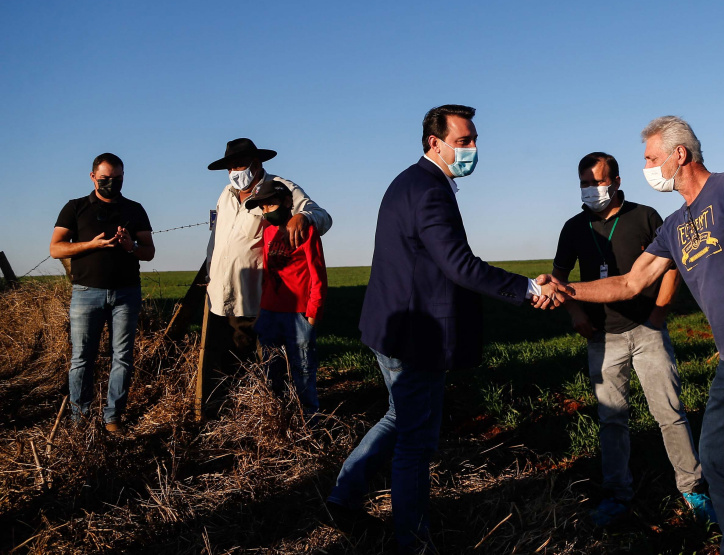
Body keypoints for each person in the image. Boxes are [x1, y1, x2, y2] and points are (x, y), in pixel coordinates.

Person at [541, 116, 724, 555]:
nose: (647, 168)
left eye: (651, 158)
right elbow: (630, 282)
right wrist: (566, 290)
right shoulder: (674, 224)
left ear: (679, 155)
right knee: (716, 459)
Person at [326, 104, 559, 553]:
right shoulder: (430, 190)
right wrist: (529, 288)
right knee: (416, 442)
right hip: (417, 336)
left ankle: (344, 497)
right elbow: (459, 265)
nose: (472, 149)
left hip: (391, 326)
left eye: (474, 140)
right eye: (463, 141)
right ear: (435, 143)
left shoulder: (409, 181)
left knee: (399, 418)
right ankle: (413, 542)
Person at [552, 152, 714, 526]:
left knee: (670, 413)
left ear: (617, 181)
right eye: (585, 183)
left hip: (647, 331)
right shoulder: (573, 228)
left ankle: (693, 489)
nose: (592, 189)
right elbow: (559, 277)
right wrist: (576, 314)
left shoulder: (644, 217)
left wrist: (659, 313)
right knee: (612, 421)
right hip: (602, 337)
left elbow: (670, 266)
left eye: (599, 181)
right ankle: (616, 495)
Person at [204, 138, 332, 391]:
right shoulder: (226, 194)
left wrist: (302, 217)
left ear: (256, 163)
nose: (233, 172)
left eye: (239, 165)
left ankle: (277, 408)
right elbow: (217, 239)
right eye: (229, 167)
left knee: (267, 366)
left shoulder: (279, 189)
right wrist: (210, 275)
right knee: (228, 366)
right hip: (221, 296)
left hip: (257, 299)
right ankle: (236, 410)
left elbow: (322, 217)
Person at [50, 153, 155, 433]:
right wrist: (91, 245)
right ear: (92, 177)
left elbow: (149, 252)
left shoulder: (134, 209)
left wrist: (131, 246)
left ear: (123, 177)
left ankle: (112, 419)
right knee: (81, 358)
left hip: (126, 293)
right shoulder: (75, 207)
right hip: (86, 293)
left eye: (117, 179)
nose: (111, 183)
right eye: (105, 178)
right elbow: (56, 248)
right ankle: (80, 421)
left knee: (122, 357)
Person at [243, 180, 327, 413]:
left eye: (271, 204)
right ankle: (278, 421)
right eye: (263, 207)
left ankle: (308, 425)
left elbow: (318, 275)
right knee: (272, 373)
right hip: (270, 314)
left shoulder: (306, 231)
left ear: (288, 202)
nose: (266, 211)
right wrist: (261, 310)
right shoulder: (268, 231)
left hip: (298, 315)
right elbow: (267, 274)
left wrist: (312, 314)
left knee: (303, 374)